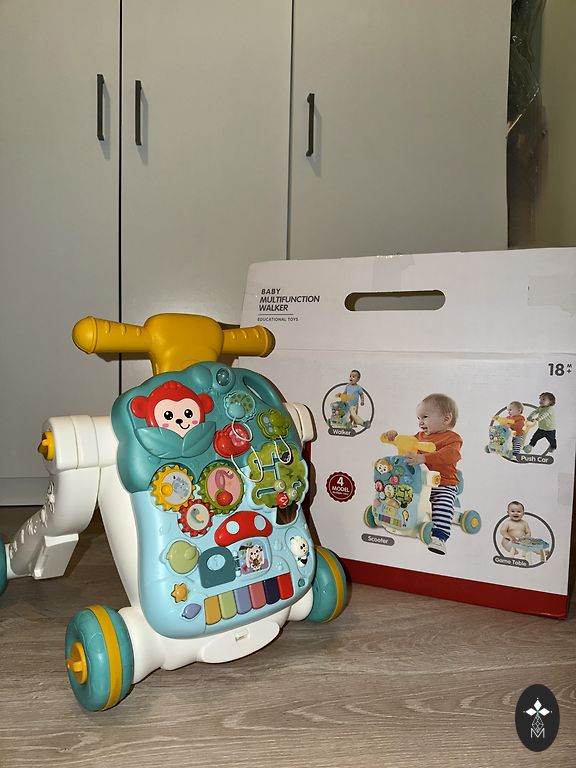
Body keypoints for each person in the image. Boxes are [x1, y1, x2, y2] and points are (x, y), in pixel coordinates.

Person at [384, 393, 461, 555]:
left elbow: (449, 455)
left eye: (425, 417)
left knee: (442, 503)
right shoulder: (418, 437)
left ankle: (439, 537)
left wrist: (425, 457)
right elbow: (406, 445)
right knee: (401, 494)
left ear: (446, 419)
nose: (420, 422)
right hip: (419, 482)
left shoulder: (453, 439)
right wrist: (394, 437)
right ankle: (391, 516)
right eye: (418, 418)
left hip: (443, 484)